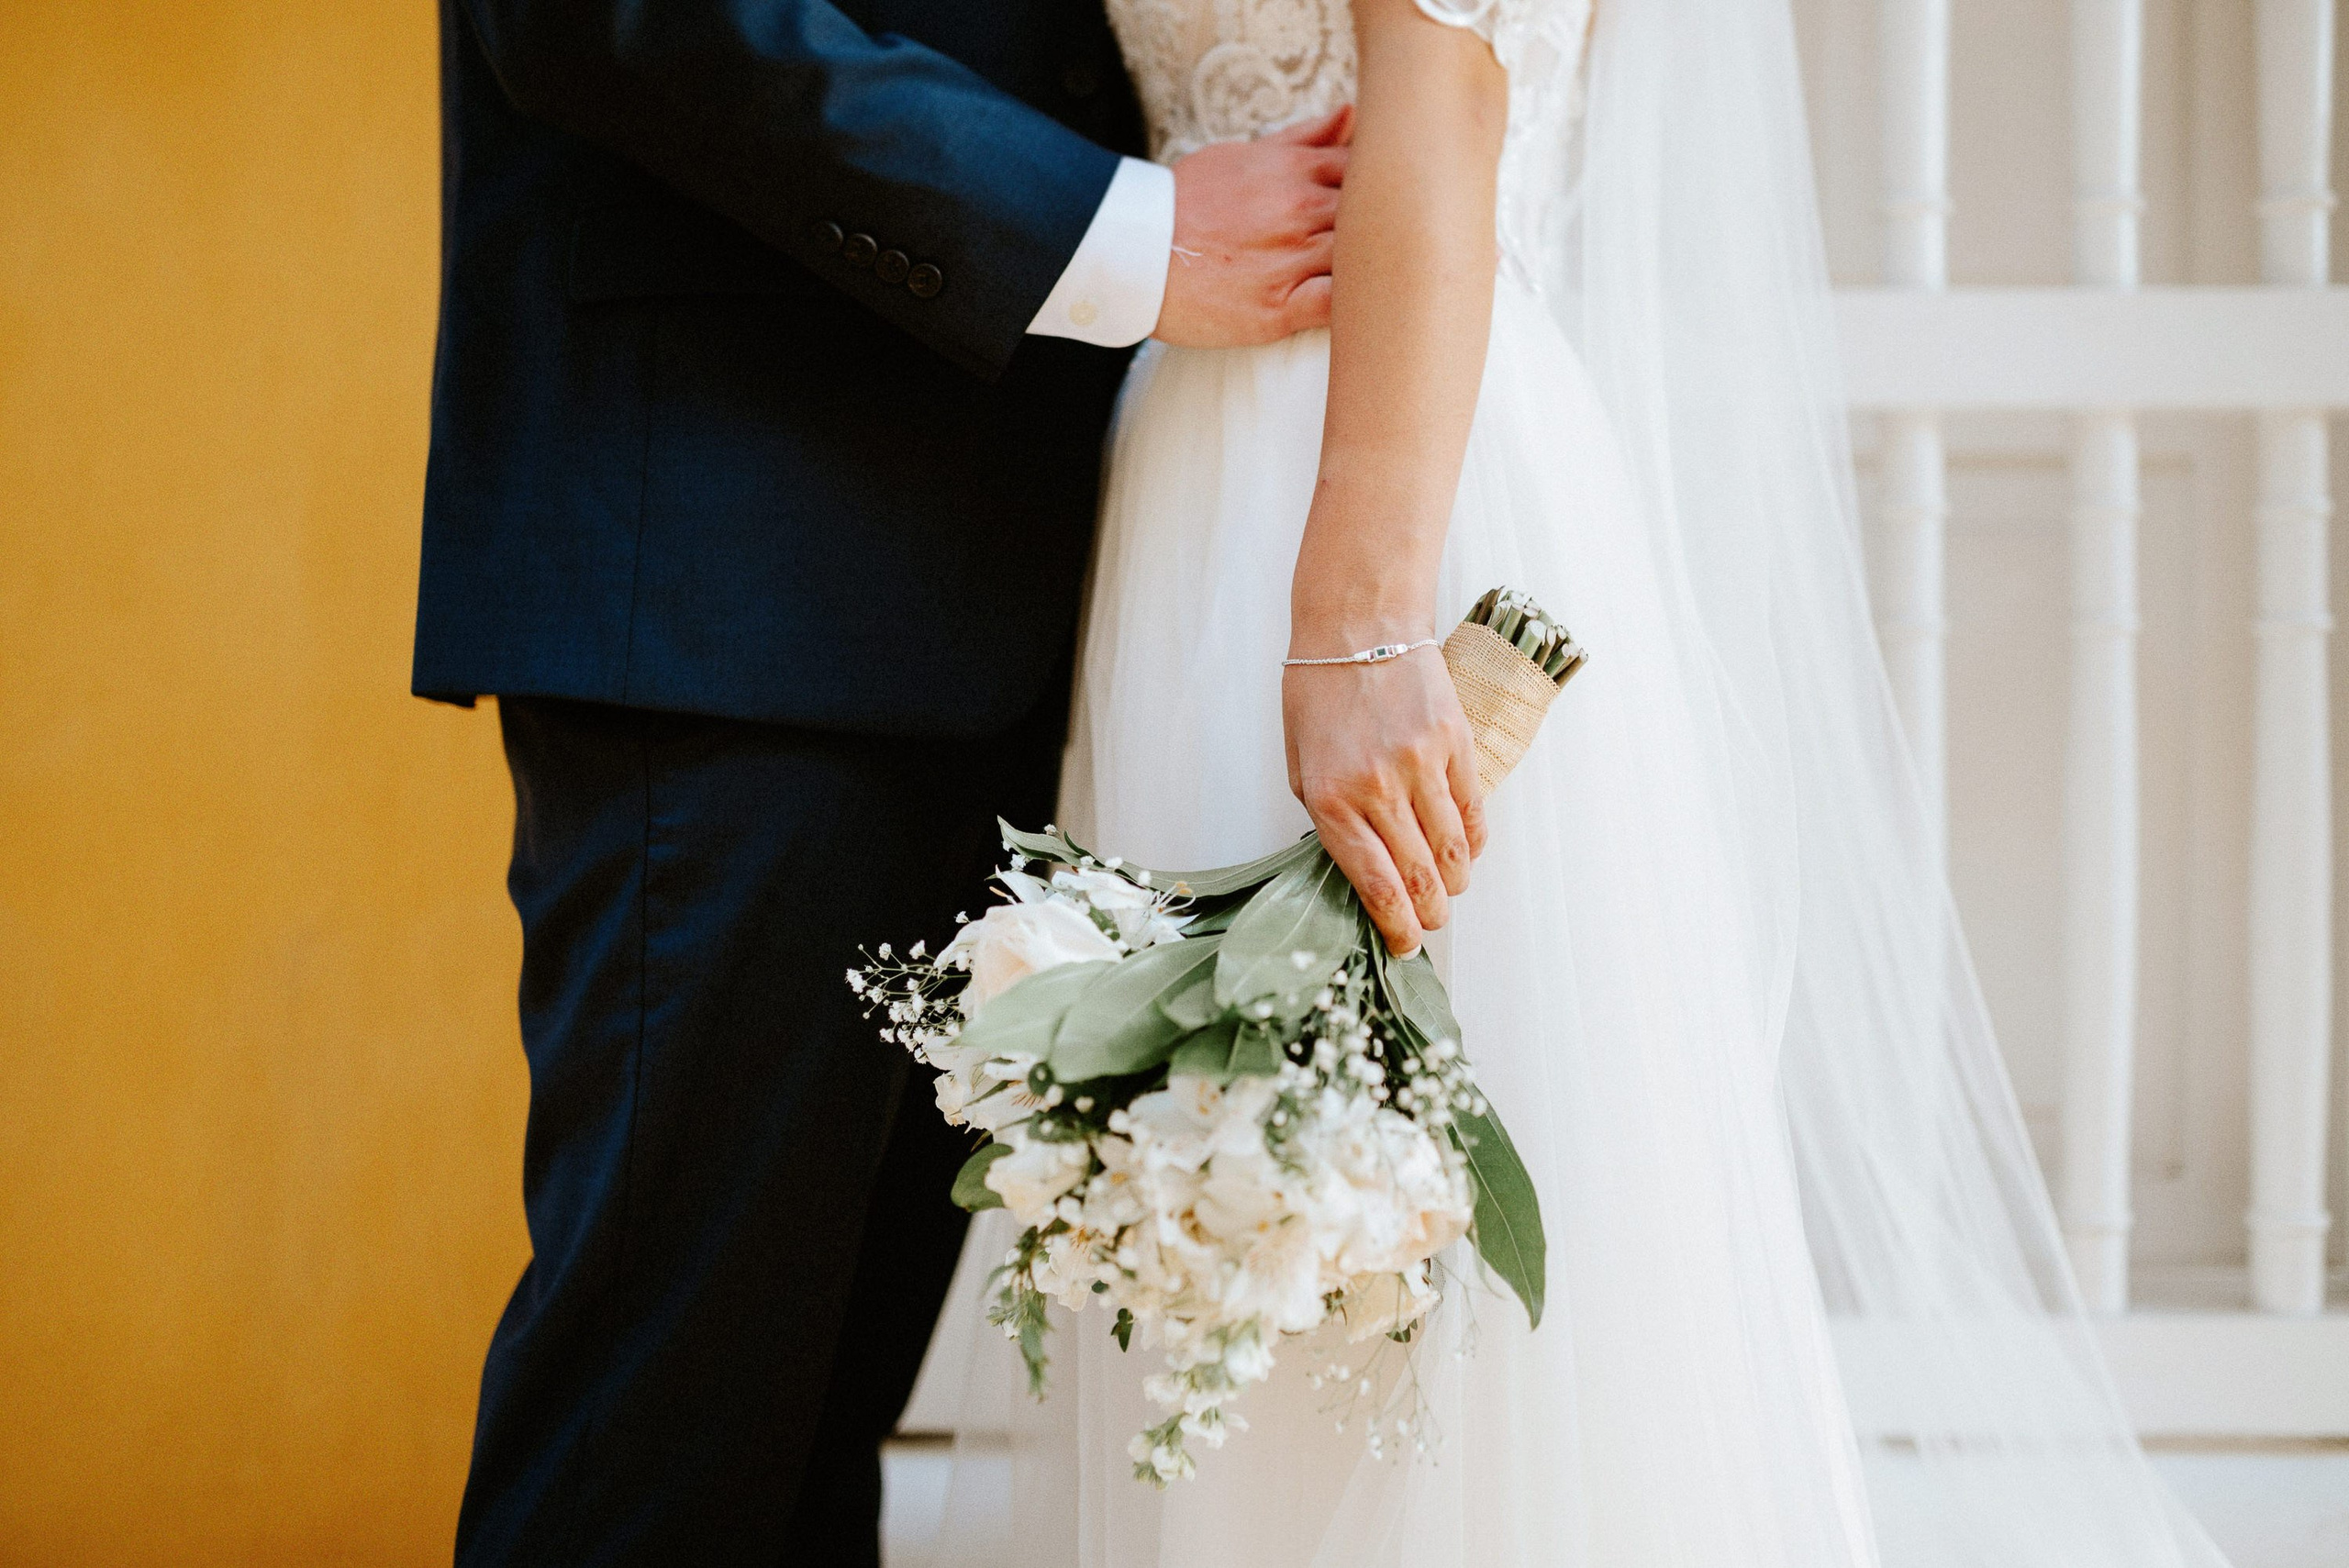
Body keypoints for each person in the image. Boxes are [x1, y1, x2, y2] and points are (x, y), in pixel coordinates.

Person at [918, 0, 2241, 1564]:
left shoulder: (1354, 580)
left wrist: (1358, 625)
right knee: (1239, 1228)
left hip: (1373, 476)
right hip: (1207, 456)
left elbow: (1445, 106)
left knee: (1408, 1222)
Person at [409, 3, 1353, 1562]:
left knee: (805, 1451)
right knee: (656, 1450)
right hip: (736, 569)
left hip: (1018, 577)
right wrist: (1120, 230)